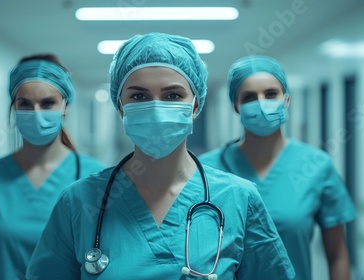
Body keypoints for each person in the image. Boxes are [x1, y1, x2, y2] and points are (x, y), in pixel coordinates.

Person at [26, 33, 295, 279]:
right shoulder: (79, 202)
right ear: (121, 107)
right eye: (139, 96)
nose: (156, 108)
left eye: (173, 95)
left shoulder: (239, 198)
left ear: (195, 105)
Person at [0, 53, 107, 280]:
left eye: (48, 103)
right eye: (25, 104)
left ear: (66, 106)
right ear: (13, 107)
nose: (36, 113)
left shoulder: (98, 180)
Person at [199, 55, 357, 280]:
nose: (262, 103)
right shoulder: (207, 170)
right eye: (249, 97)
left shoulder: (316, 166)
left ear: (287, 100)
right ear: (236, 106)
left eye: (271, 94)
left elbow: (338, 255)